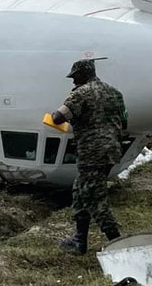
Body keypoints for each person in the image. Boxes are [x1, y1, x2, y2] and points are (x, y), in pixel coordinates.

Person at [50, 58, 127, 254]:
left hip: (92, 153)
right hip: (111, 150)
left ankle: (118, 243)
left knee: (95, 198)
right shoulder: (114, 92)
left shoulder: (80, 94)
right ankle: (79, 241)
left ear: (82, 75)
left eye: (75, 77)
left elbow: (57, 117)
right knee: (80, 191)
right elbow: (124, 121)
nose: (73, 81)